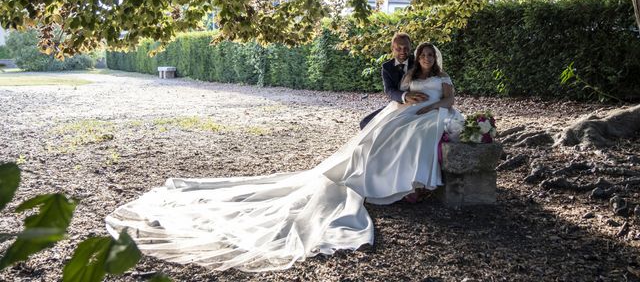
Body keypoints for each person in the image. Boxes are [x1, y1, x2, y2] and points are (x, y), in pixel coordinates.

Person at [105, 42, 464, 272]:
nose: (424, 59)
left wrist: (426, 109)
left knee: (412, 133)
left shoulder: (442, 77)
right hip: (403, 110)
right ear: (416, 57)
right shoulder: (409, 74)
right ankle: (380, 177)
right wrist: (406, 100)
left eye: (428, 55)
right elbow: (396, 90)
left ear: (435, 58)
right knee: (378, 136)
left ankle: (407, 181)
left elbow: (447, 99)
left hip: (430, 115)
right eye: (421, 54)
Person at [359, 33, 428, 129]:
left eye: (406, 48)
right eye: (398, 48)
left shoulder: (420, 63)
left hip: (418, 104)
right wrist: (405, 96)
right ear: (392, 49)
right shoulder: (386, 67)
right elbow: (389, 90)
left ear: (410, 48)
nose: (403, 51)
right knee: (365, 123)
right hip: (397, 103)